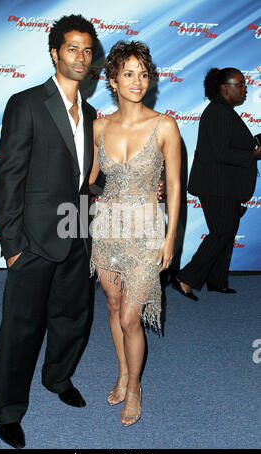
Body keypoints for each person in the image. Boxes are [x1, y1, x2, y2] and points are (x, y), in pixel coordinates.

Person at [0, 14, 99, 449]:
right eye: (72, 48)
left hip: (77, 232)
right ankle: (7, 410)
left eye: (87, 50)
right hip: (33, 240)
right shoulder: (27, 103)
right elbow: (9, 178)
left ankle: (58, 378)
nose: (81, 57)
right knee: (22, 328)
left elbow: (84, 177)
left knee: (72, 318)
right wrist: (13, 245)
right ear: (54, 53)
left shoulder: (91, 113)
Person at [89, 41, 181, 426]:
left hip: (145, 229)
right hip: (107, 227)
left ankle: (135, 385)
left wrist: (170, 237)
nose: (137, 81)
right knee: (112, 306)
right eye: (128, 73)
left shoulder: (165, 125)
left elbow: (174, 185)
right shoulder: (98, 127)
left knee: (131, 317)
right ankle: (123, 371)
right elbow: (88, 182)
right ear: (112, 80)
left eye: (143, 74)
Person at [172, 67, 261, 301]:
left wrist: (253, 145)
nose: (244, 88)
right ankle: (185, 278)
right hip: (217, 184)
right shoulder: (219, 112)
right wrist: (254, 155)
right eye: (239, 84)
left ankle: (217, 280)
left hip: (223, 183)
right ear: (225, 87)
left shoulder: (224, 111)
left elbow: (229, 145)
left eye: (244, 84)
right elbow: (222, 152)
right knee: (222, 232)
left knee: (225, 232)